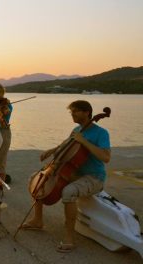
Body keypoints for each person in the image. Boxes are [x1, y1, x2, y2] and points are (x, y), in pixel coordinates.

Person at [21, 100, 111, 253]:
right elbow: (66, 144)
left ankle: (70, 237)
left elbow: (106, 157)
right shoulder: (76, 129)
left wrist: (84, 142)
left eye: (75, 111)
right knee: (35, 179)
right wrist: (52, 150)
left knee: (68, 191)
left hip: (94, 177)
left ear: (87, 112)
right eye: (71, 112)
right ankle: (37, 220)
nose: (72, 114)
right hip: (74, 173)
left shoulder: (101, 133)